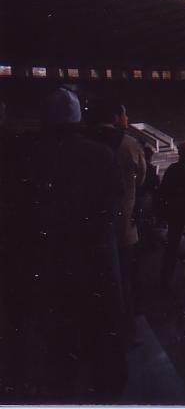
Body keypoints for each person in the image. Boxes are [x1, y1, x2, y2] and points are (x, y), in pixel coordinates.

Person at [0, 88, 126, 403]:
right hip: (96, 253)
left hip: (50, 257)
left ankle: (64, 379)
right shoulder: (101, 154)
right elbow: (113, 202)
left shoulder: (29, 156)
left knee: (60, 325)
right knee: (103, 321)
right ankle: (109, 382)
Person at [86, 96, 146, 343]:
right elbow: (141, 178)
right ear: (114, 117)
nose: (127, 119)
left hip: (93, 224)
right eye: (124, 115)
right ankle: (127, 329)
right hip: (124, 222)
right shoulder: (130, 143)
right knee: (125, 278)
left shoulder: (86, 143)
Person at [158, 141, 185, 289]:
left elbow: (163, 191)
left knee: (173, 244)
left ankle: (167, 276)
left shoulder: (173, 169)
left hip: (175, 211)